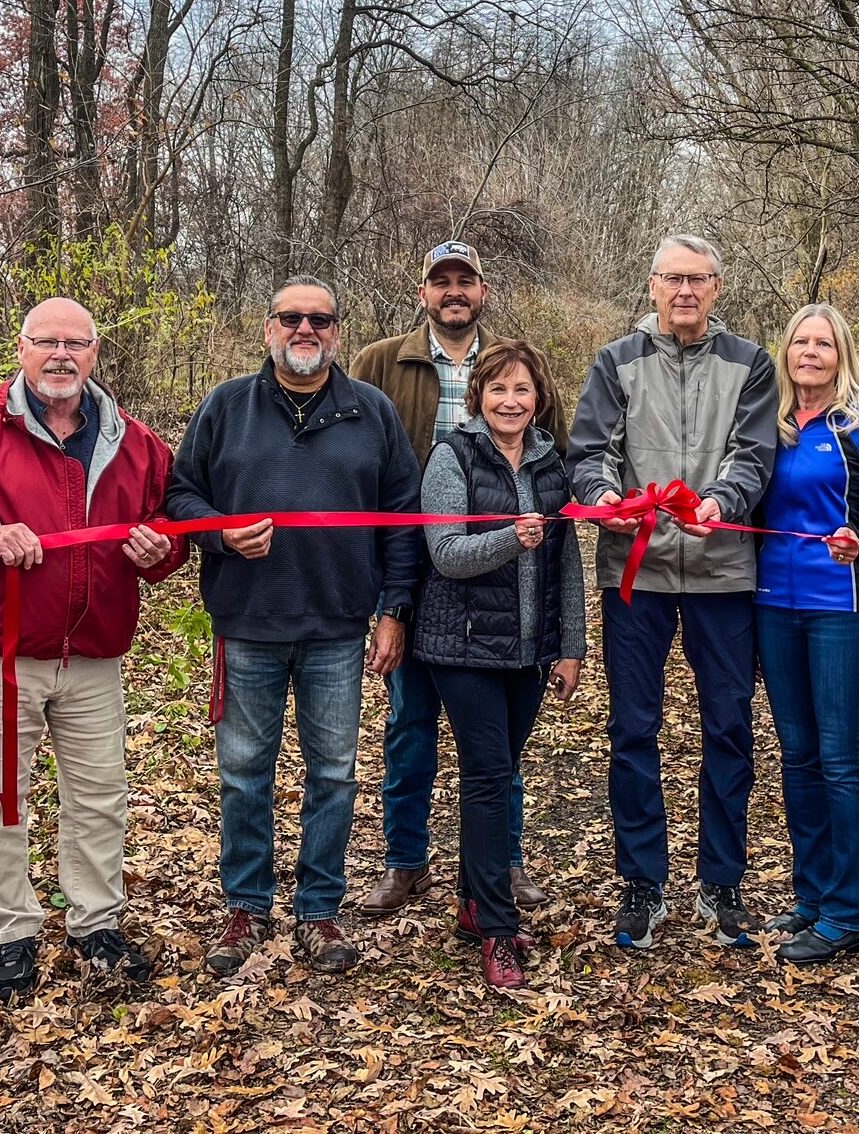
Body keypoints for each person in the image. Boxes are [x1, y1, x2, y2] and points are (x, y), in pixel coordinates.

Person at [0, 297, 187, 1002]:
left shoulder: (137, 444)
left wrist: (160, 552)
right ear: (20, 349)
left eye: (75, 344)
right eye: (46, 342)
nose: (61, 356)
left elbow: (169, 526)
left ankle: (96, 925)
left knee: (100, 798)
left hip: (93, 654)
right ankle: (12, 934)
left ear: (95, 354)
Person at [164, 275, 423, 976]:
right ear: (269, 329)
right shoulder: (227, 406)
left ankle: (319, 910)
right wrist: (219, 535)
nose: (305, 329)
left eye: (320, 319)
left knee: (334, 774)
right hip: (246, 621)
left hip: (338, 626)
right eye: (291, 318)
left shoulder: (370, 411)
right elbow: (181, 494)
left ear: (337, 332)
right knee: (244, 773)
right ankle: (246, 905)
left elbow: (404, 518)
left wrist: (394, 610)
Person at [567, 234, 777, 950]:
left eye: (698, 279)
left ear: (718, 287)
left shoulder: (750, 362)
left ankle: (721, 881)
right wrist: (604, 497)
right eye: (673, 279)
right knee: (633, 727)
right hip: (638, 570)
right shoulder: (615, 361)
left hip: (723, 571)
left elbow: (754, 453)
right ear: (652, 285)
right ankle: (642, 882)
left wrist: (722, 501)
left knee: (729, 725)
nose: (685, 291)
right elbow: (589, 451)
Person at [348, 240, 564, 919]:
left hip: (502, 582)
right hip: (412, 568)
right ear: (423, 293)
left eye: (465, 281)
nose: (454, 292)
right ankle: (405, 860)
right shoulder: (381, 362)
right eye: (441, 282)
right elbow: (357, 463)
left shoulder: (516, 365)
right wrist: (385, 593)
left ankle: (503, 860)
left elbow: (551, 464)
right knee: (411, 723)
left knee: (497, 742)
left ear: (483, 291)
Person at [412, 341, 587, 988]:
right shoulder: (452, 456)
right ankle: (496, 928)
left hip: (528, 650)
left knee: (498, 773)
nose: (510, 402)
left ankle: (472, 902)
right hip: (463, 646)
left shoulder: (550, 463)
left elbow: (566, 561)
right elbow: (446, 554)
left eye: (522, 390)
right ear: (478, 396)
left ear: (538, 398)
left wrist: (571, 647)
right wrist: (512, 537)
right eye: (498, 389)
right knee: (488, 777)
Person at [752, 304, 859, 965]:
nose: (810, 352)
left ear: (842, 355)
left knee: (841, 761)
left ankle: (850, 912)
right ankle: (812, 896)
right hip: (772, 605)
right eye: (800, 342)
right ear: (785, 352)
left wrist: (857, 540)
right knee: (798, 756)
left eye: (824, 343)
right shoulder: (768, 426)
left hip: (843, 607)